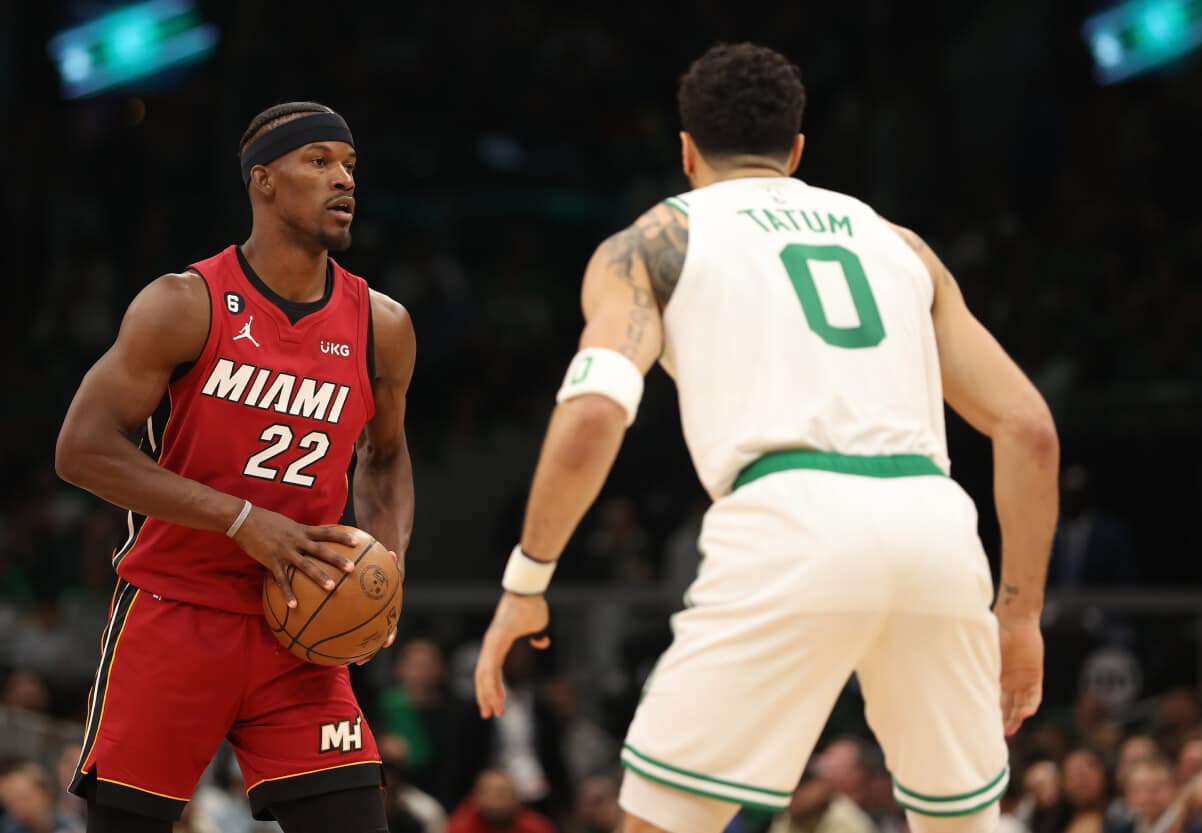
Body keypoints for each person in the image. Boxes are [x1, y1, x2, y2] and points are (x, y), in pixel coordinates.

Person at [473, 42, 1058, 833]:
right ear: (797, 151)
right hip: (936, 527)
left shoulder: (651, 242)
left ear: (684, 151)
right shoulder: (900, 244)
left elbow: (592, 414)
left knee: (661, 822)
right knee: (961, 824)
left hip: (789, 519)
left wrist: (526, 579)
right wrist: (1019, 617)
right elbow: (1028, 427)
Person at [54, 101, 416, 833]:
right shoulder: (182, 304)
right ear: (264, 181)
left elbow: (386, 454)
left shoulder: (382, 324)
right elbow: (81, 448)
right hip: (176, 609)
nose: (342, 179)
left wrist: (388, 566)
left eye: (349, 165)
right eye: (318, 161)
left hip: (299, 624)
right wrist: (243, 521)